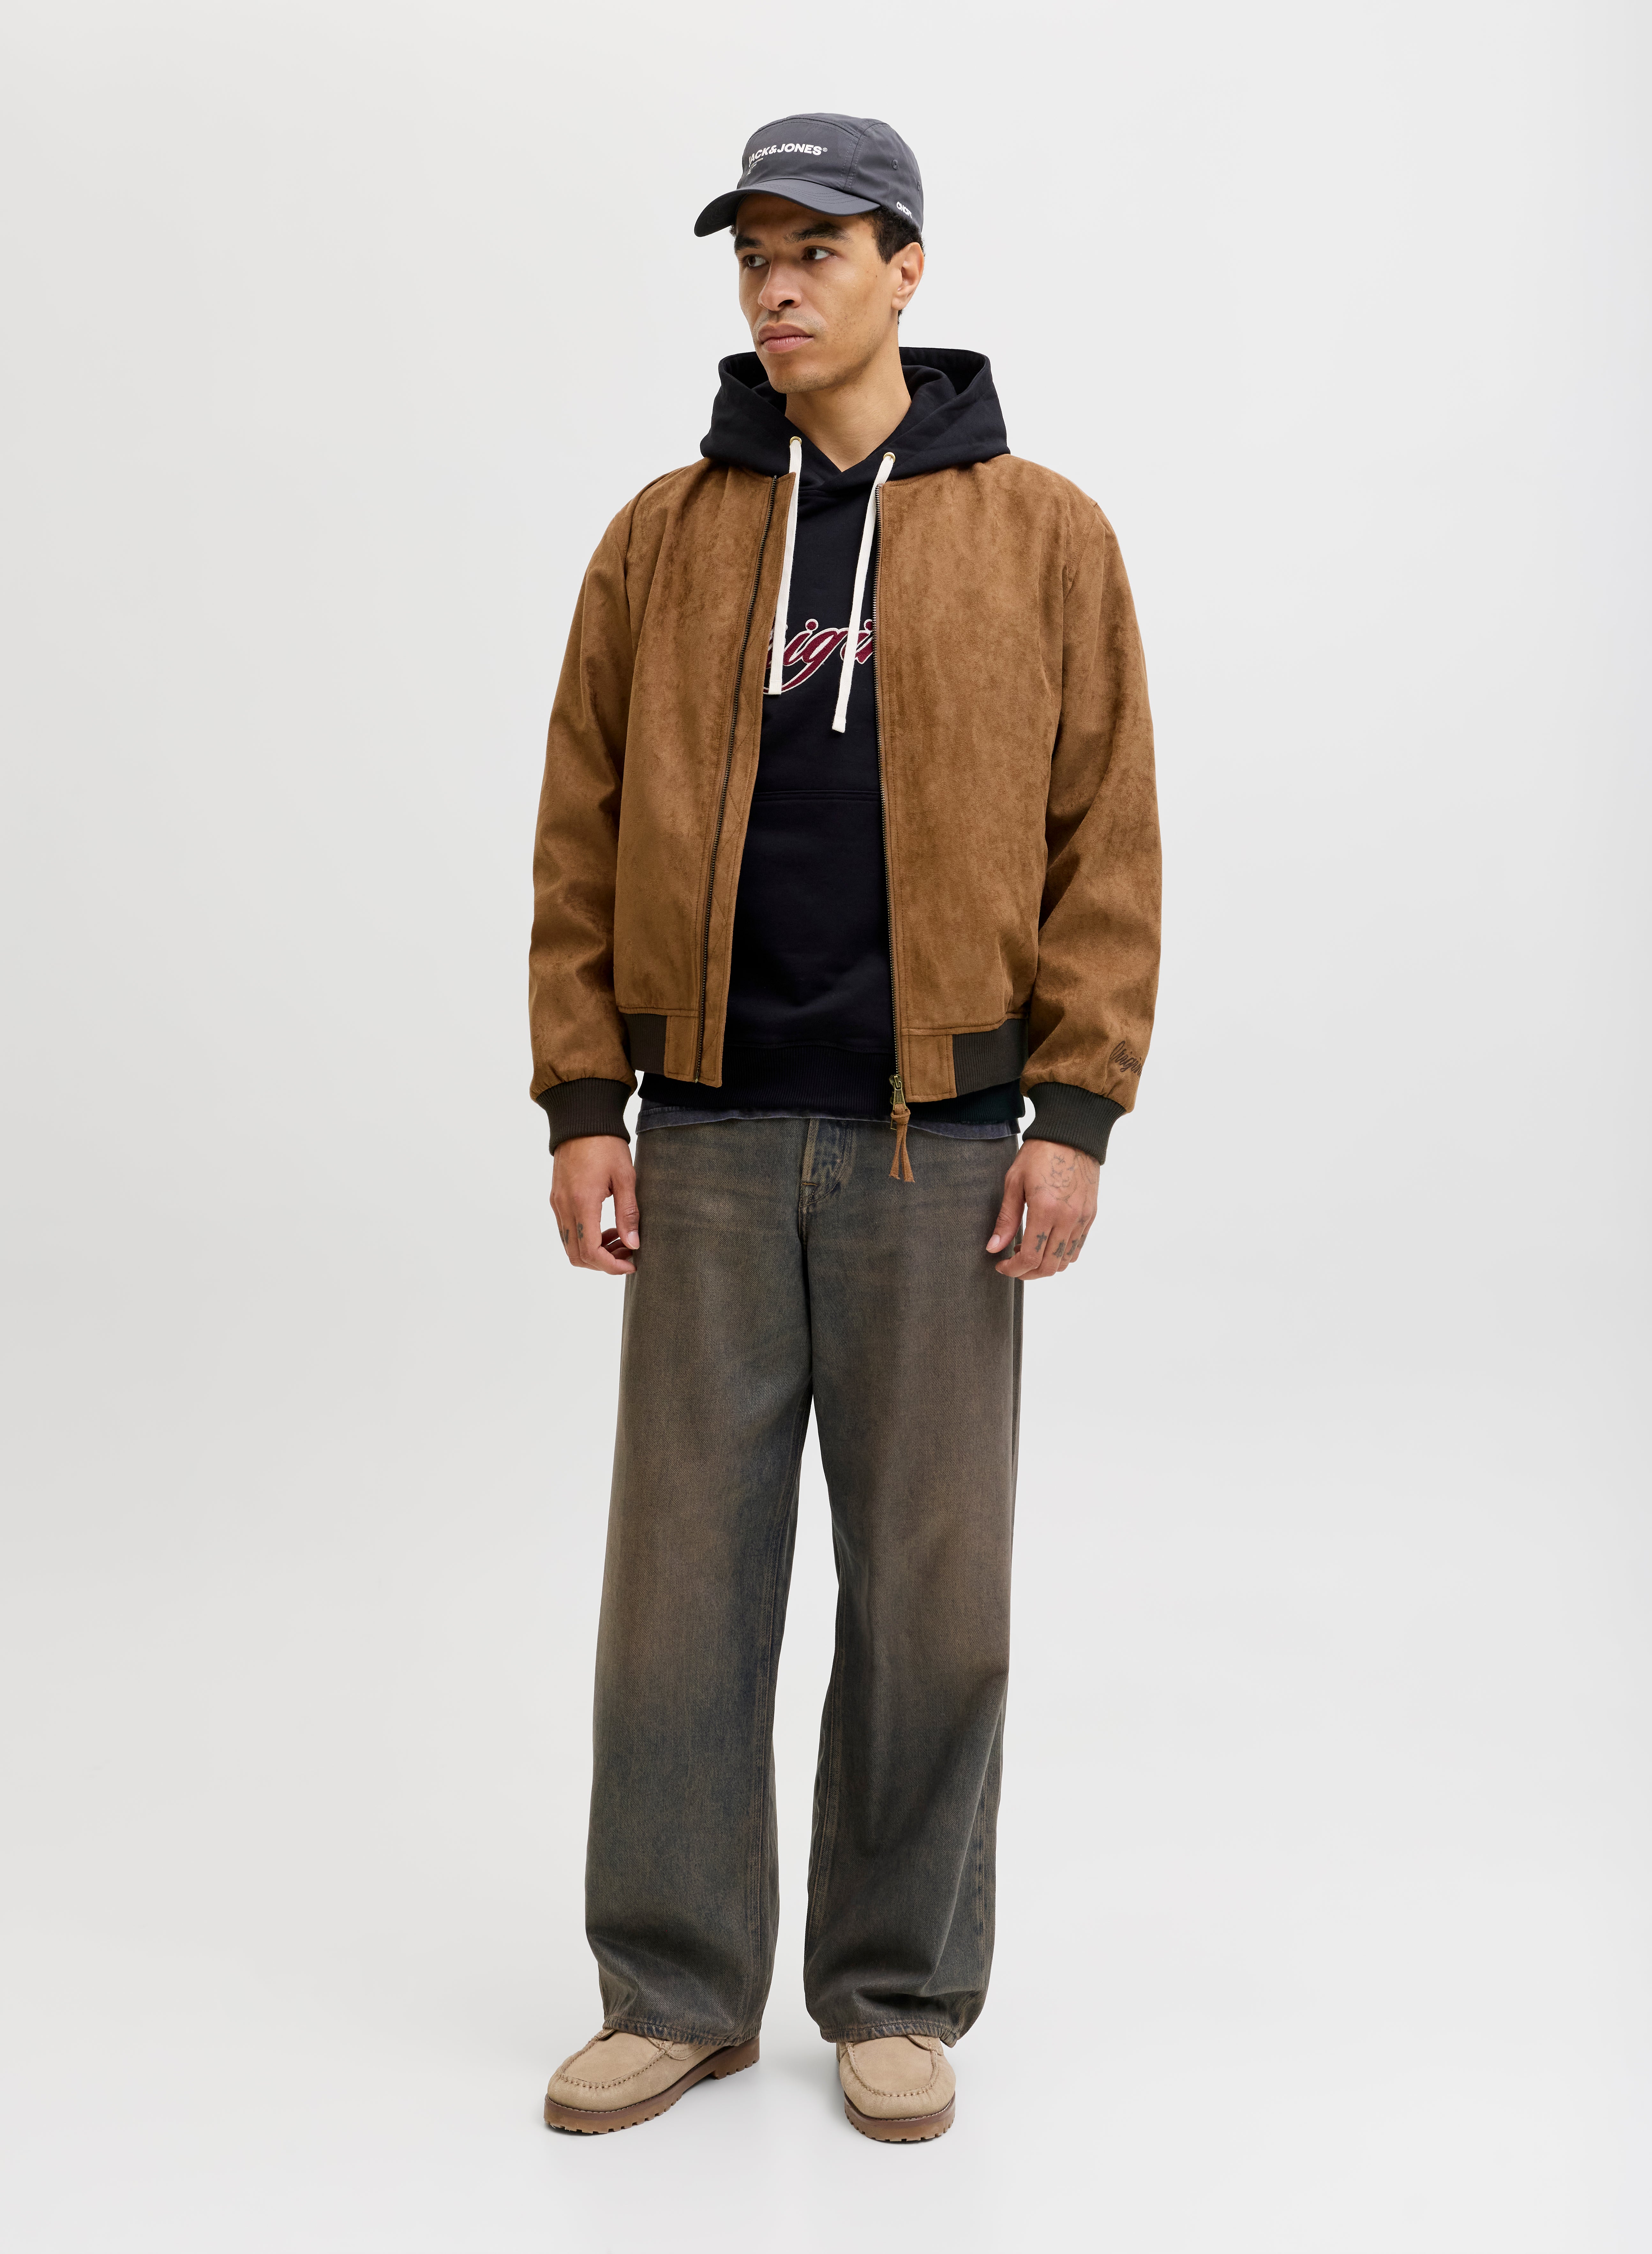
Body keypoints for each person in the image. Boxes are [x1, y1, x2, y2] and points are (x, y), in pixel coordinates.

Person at [529, 111, 1160, 2142]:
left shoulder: (1043, 534)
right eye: (753, 254)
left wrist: (1074, 1107)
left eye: (819, 248)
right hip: (706, 1138)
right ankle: (675, 1986)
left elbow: (1106, 836)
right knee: (677, 1596)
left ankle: (893, 1988)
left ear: (908, 269)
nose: (779, 285)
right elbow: (576, 823)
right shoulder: (663, 536)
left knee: (932, 1601)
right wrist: (583, 1096)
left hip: (942, 1154)